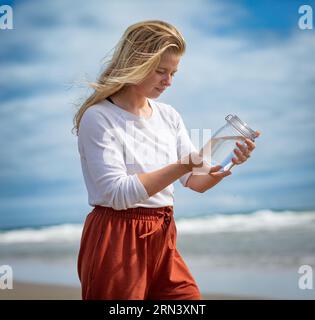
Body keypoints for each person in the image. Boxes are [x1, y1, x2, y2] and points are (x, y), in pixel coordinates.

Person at [73, 20, 259, 300]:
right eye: (161, 71)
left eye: (173, 73)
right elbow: (117, 193)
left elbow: (195, 181)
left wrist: (228, 165)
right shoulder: (99, 117)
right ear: (136, 63)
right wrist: (186, 164)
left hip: (163, 233)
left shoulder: (168, 115)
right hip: (116, 238)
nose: (168, 81)